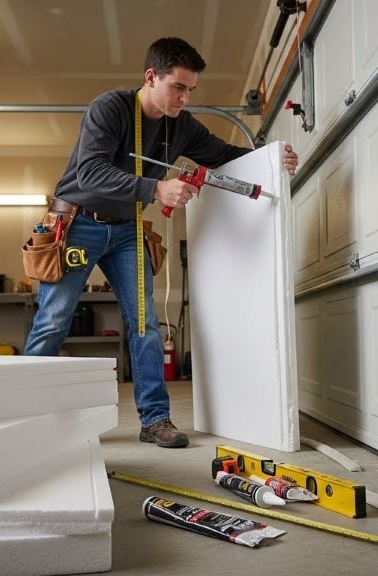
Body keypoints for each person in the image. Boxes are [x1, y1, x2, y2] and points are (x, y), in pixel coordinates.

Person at [24, 37, 299, 448]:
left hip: (127, 229)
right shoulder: (111, 108)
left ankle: (155, 420)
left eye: (191, 90)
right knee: (53, 320)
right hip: (77, 222)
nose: (185, 98)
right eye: (178, 87)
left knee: (146, 324)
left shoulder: (180, 125)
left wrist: (273, 158)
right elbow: (91, 173)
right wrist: (156, 189)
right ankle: (21, 414)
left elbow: (222, 153)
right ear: (151, 77)